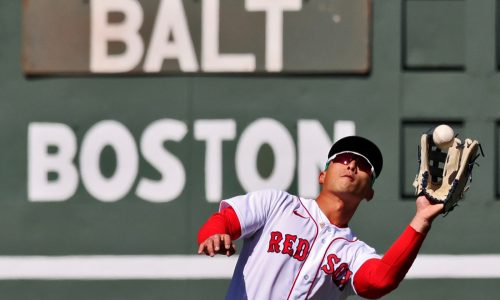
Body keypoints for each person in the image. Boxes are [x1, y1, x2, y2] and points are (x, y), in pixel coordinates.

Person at [197, 136, 444, 299]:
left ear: (370, 193)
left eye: (363, 164)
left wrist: (420, 221)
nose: (351, 165)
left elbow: (380, 280)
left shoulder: (355, 253)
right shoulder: (277, 205)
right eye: (343, 158)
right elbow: (226, 220)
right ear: (322, 175)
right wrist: (214, 234)